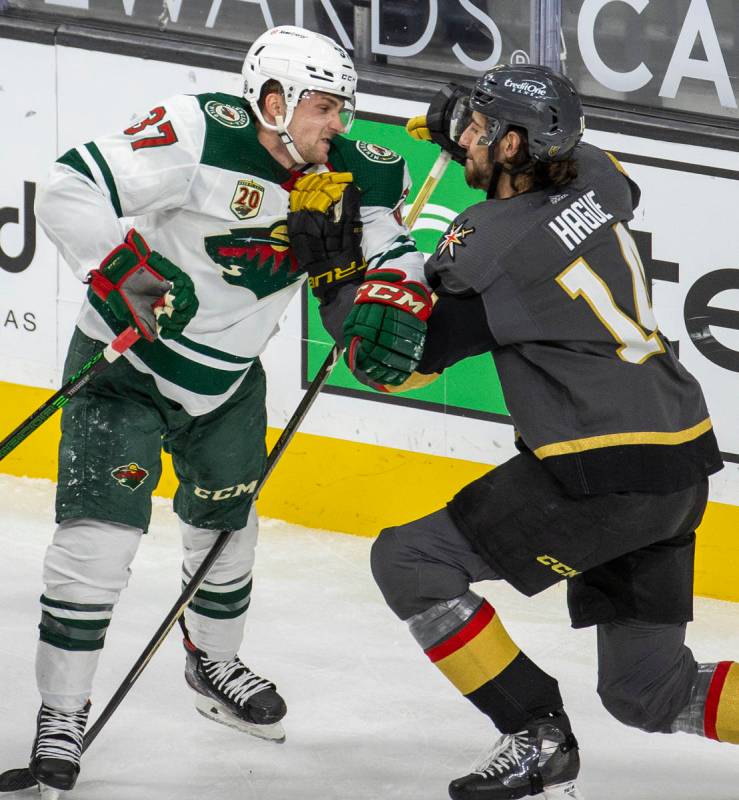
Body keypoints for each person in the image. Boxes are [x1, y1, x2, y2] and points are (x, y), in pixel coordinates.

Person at [28, 24, 428, 795]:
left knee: (227, 538)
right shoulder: (196, 128)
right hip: (127, 369)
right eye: (322, 107)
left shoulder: (360, 171)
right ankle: (60, 712)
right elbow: (69, 187)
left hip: (227, 384)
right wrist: (127, 277)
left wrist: (380, 284)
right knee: (96, 550)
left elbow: (393, 256)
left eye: (343, 108)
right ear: (271, 100)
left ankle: (211, 661)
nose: (337, 124)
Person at [341, 64, 733, 799]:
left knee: (411, 562)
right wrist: (467, 141)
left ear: (518, 145)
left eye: (481, 129)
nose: (465, 137)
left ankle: (534, 734)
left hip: (600, 471)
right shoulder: (600, 177)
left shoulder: (490, 245)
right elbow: (584, 172)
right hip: (678, 464)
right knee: (648, 689)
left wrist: (341, 270)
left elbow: (394, 358)